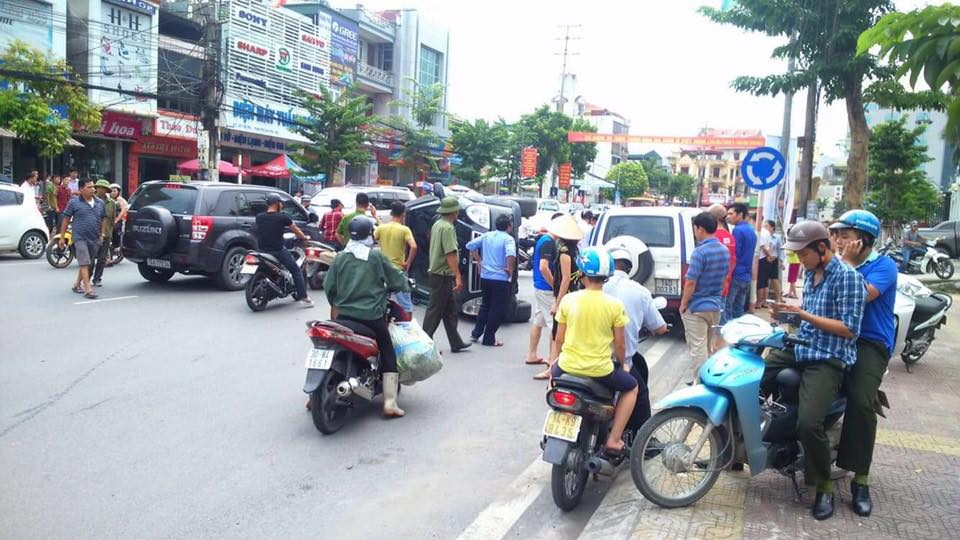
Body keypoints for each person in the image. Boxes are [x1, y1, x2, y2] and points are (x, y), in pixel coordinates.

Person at [763, 220, 866, 521]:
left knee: (809, 423)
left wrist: (802, 313)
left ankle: (823, 487)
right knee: (753, 375)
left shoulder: (847, 277)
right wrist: (785, 315)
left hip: (828, 357)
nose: (799, 260)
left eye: (803, 254)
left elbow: (849, 329)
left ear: (822, 248)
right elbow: (805, 321)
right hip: (801, 345)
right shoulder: (811, 273)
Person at [830, 210, 897, 518]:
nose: (839, 240)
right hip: (836, 335)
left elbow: (858, 297)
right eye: (837, 235)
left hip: (869, 341)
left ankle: (861, 478)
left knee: (860, 400)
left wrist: (848, 263)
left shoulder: (884, 266)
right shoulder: (835, 262)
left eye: (845, 235)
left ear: (863, 239)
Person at [551, 246, 638, 454]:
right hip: (600, 370)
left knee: (553, 380)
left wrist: (557, 360)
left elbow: (559, 338)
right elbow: (619, 344)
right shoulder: (614, 305)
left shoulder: (569, 300)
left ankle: (554, 425)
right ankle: (614, 439)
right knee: (632, 387)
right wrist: (623, 363)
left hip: (567, 366)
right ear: (606, 278)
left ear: (581, 274)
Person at [324, 217, 411, 417]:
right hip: (371, 318)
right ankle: (390, 403)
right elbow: (396, 279)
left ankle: (314, 396)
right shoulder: (375, 257)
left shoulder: (339, 257)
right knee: (388, 351)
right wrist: (406, 285)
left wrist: (339, 303)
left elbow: (330, 289)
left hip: (344, 317)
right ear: (369, 235)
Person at [604, 243, 669, 431]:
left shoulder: (588, 291)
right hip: (609, 361)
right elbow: (621, 345)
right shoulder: (638, 291)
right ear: (630, 268)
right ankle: (639, 438)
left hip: (575, 360)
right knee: (638, 391)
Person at [680, 212, 730, 379]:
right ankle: (708, 380)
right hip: (715, 306)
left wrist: (683, 304)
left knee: (697, 348)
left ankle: (700, 384)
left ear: (700, 228)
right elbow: (724, 278)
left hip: (697, 307)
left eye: (695, 228)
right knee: (708, 347)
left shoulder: (699, 252)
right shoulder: (724, 250)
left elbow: (691, 282)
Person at [535, 214, 584, 380]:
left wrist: (558, 302)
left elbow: (565, 279)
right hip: (574, 294)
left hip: (566, 297)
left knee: (558, 335)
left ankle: (553, 369)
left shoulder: (563, 251)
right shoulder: (574, 250)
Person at [422, 196, 471, 353]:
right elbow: (450, 253)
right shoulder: (448, 228)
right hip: (442, 274)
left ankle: (455, 341)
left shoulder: (438, 224)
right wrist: (457, 275)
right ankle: (424, 343)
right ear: (454, 212)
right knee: (434, 311)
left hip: (439, 273)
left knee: (450, 309)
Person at [466, 214, 517, 347]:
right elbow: (511, 254)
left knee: (485, 305)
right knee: (497, 308)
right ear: (509, 226)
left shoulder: (487, 235)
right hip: (500, 278)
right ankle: (489, 338)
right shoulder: (508, 239)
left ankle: (476, 333)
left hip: (485, 276)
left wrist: (479, 261)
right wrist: (510, 269)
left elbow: (470, 245)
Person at [255, 193, 314, 307]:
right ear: (277, 204)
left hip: (262, 249)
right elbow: (296, 230)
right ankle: (304, 297)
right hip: (277, 250)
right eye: (281, 203)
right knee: (296, 271)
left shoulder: (259, 217)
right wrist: (304, 237)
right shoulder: (283, 217)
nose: (282, 205)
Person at [525, 213, 564, 366]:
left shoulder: (545, 240)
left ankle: (532, 354)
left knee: (539, 320)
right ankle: (552, 360)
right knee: (555, 325)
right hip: (546, 288)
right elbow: (543, 267)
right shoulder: (548, 242)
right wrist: (556, 285)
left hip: (540, 286)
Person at [59, 179, 105, 299]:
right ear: (81, 189)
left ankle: (76, 285)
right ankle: (88, 289)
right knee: (84, 262)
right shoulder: (74, 203)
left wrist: (102, 234)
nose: (93, 189)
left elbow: (103, 219)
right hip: (79, 237)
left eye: (93, 187)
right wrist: (62, 237)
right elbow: (66, 219)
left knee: (87, 262)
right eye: (89, 187)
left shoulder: (100, 203)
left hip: (94, 237)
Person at [373, 201, 418, 314]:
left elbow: (376, 234)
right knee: (406, 304)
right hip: (398, 270)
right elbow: (413, 246)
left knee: (382, 300)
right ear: (403, 214)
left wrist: (375, 217)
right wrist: (408, 262)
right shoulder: (404, 230)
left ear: (391, 213)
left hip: (383, 270)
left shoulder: (382, 228)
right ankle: (408, 327)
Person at [725, 203, 757, 322]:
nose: (728, 216)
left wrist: (727, 274)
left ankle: (726, 335)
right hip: (746, 276)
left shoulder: (737, 231)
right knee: (739, 309)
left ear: (740, 215)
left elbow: (734, 254)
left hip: (736, 274)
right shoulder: (751, 230)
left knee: (727, 306)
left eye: (731, 214)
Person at [91, 180, 118, 287]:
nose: (101, 190)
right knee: (91, 258)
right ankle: (87, 276)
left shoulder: (111, 203)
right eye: (99, 188)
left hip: (106, 233)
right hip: (93, 233)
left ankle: (97, 278)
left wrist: (110, 231)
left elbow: (112, 218)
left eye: (104, 188)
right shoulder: (92, 201)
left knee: (102, 258)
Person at [785, 228, 801, 298]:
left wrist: (787, 251)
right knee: (792, 279)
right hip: (793, 262)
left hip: (794, 262)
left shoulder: (793, 242)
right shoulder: (794, 241)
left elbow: (792, 252)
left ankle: (795, 294)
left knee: (792, 280)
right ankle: (790, 293)